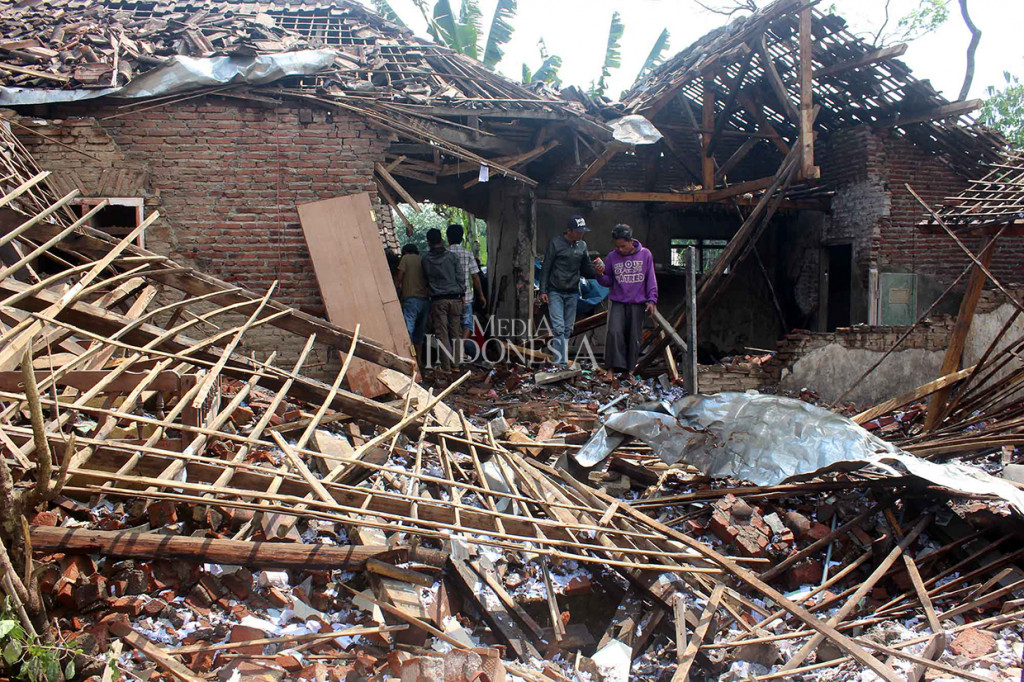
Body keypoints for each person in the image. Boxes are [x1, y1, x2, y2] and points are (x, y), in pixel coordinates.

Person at [595, 224, 658, 382]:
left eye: (623, 246)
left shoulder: (645, 254)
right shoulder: (611, 257)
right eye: (617, 246)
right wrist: (599, 274)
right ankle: (610, 370)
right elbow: (608, 280)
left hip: (637, 303)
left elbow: (651, 278)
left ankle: (628, 372)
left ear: (631, 241)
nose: (620, 250)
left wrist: (652, 299)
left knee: (633, 337)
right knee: (615, 333)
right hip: (618, 301)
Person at [538, 215, 598, 365]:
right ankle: (560, 363)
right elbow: (546, 268)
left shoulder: (582, 246)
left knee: (567, 329)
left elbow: (587, 269)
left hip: (572, 292)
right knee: (558, 328)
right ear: (569, 231)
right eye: (578, 231)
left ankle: (561, 361)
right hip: (555, 291)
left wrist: (599, 271)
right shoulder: (555, 243)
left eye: (582, 232)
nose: (581, 234)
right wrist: (543, 290)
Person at [421, 228, 465, 372]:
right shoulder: (452, 257)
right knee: (456, 333)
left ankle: (446, 367)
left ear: (428, 242)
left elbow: (426, 279)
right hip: (455, 298)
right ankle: (456, 365)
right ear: (441, 239)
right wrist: (462, 293)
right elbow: (460, 277)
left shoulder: (426, 259)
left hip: (438, 300)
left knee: (442, 334)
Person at [446, 224, 486, 348]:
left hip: (448, 296)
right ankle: (461, 346)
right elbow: (475, 276)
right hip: (466, 297)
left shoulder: (444, 254)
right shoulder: (467, 253)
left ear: (448, 238)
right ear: (461, 238)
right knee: (467, 324)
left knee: (450, 324)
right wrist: (481, 295)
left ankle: (454, 348)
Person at [394, 243, 429, 358]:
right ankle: (418, 360)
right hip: (424, 300)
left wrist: (394, 293)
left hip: (410, 300)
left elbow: (399, 277)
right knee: (420, 333)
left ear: (405, 252)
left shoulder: (405, 258)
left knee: (408, 332)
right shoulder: (422, 259)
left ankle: (408, 357)